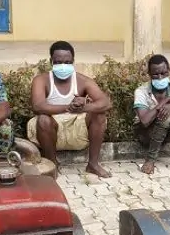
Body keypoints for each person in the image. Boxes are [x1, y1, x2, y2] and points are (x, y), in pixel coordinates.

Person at [28, 41, 112, 178]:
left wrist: (84, 107)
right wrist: (68, 107)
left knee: (99, 115)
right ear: (51, 61)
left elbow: (105, 103)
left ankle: (93, 164)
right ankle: (52, 165)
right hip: (50, 128)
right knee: (43, 119)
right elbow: (38, 106)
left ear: (73, 61)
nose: (63, 66)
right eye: (58, 62)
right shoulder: (41, 80)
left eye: (67, 62)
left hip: (76, 128)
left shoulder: (82, 80)